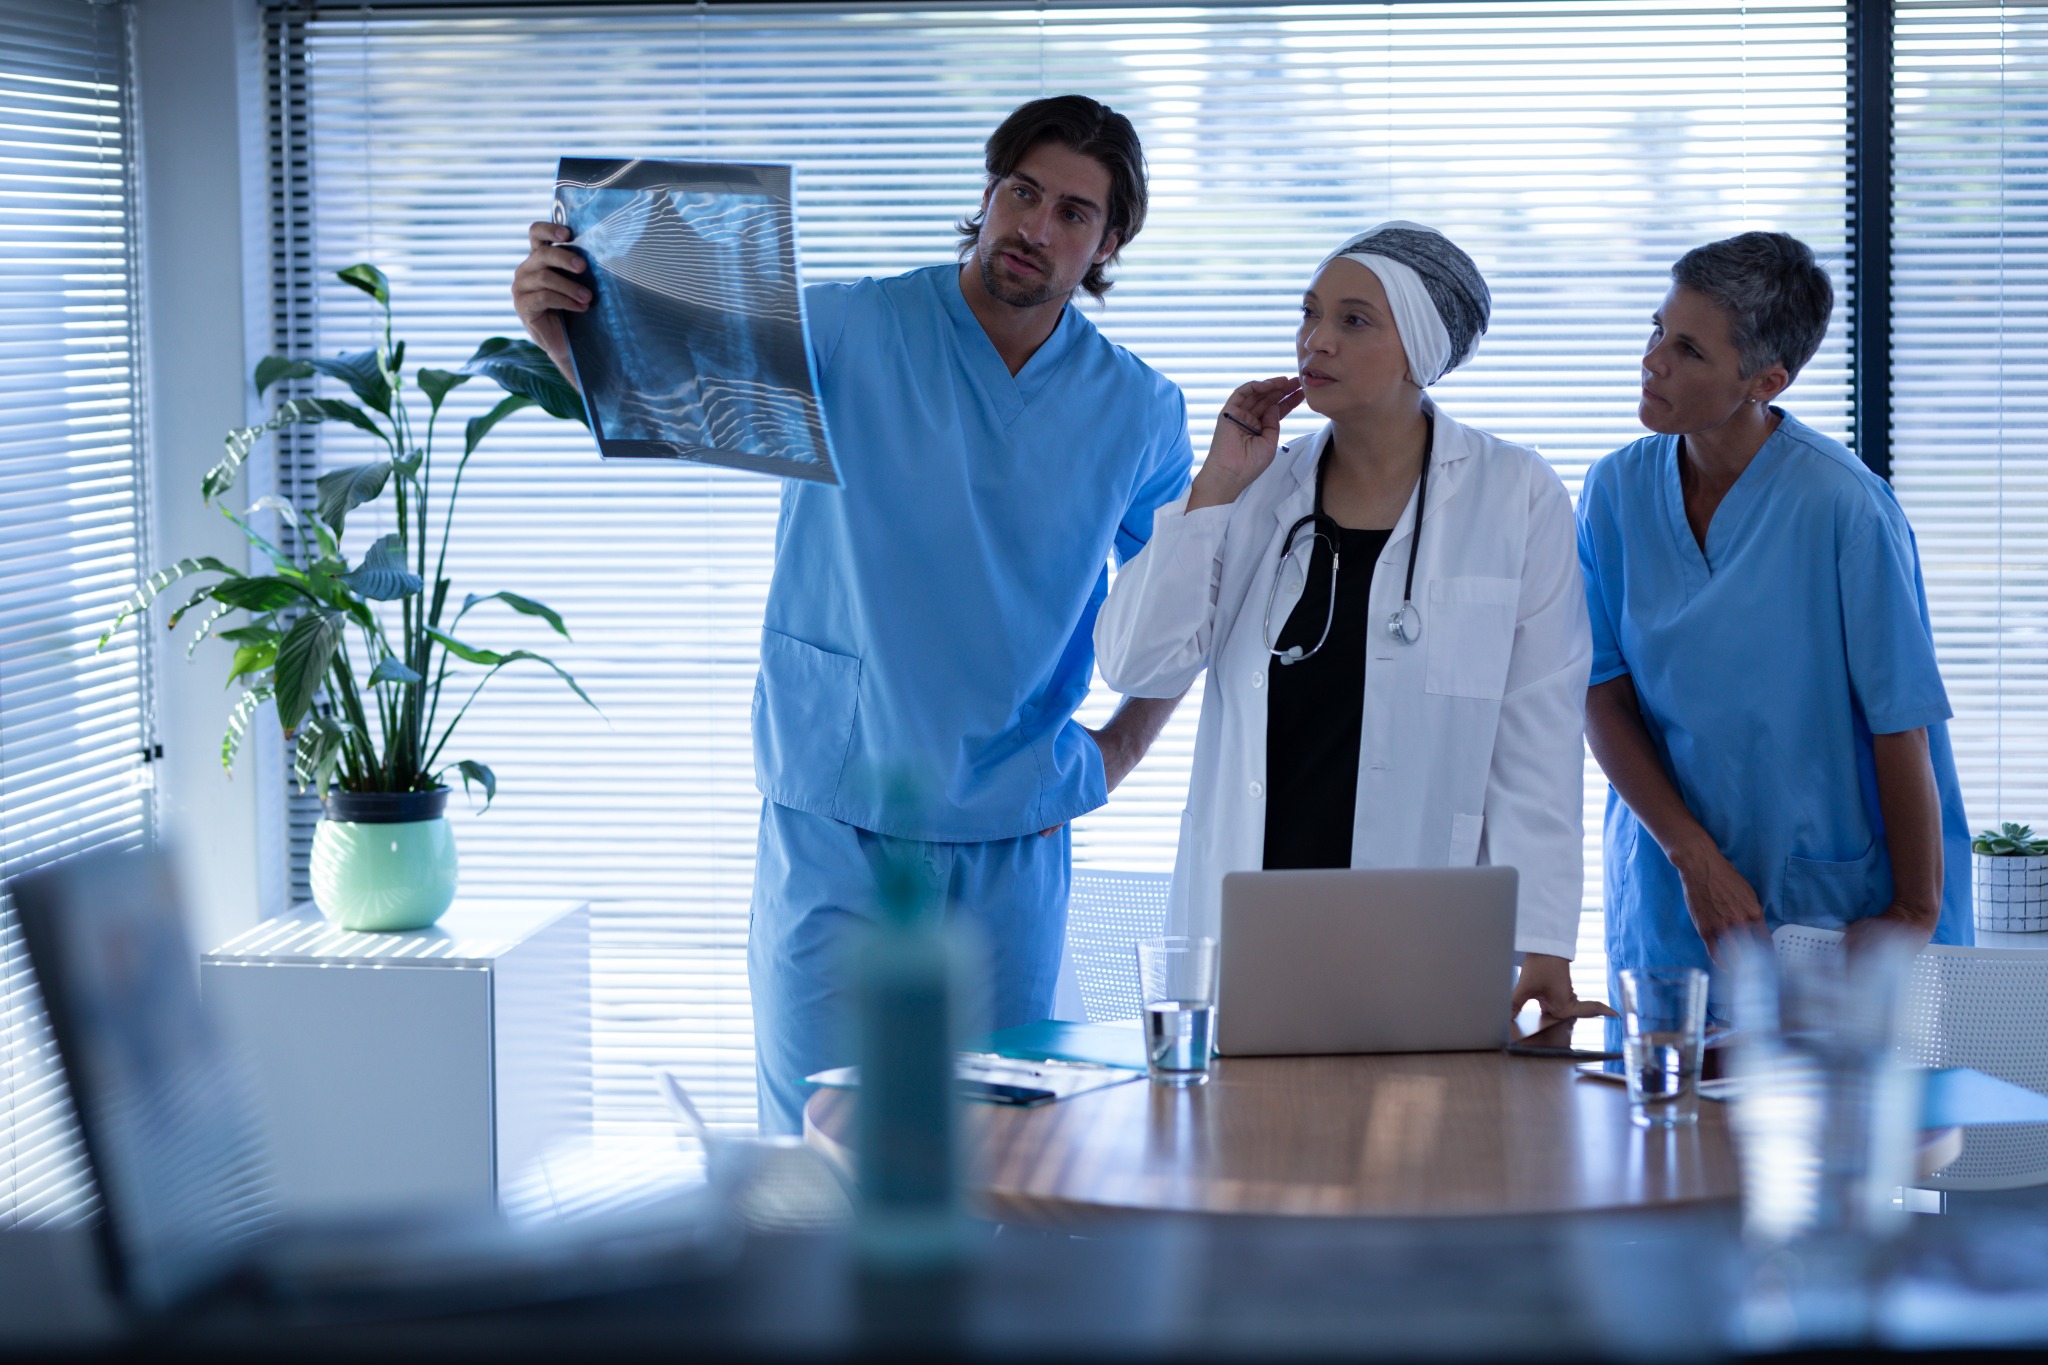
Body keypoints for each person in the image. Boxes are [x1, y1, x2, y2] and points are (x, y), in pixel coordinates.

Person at [513, 96, 1194, 1134]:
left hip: (1008, 831)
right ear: (986, 192)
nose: (1034, 229)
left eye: (1071, 213)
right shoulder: (847, 328)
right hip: (835, 817)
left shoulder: (1137, 411)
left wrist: (1116, 752)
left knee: (995, 1154)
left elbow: (1179, 610)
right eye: (1020, 193)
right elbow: (661, 401)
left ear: (1108, 241)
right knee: (820, 1156)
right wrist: (557, 327)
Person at [1095, 222, 1606, 1021]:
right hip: (1253, 910)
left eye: (1354, 320)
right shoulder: (1257, 488)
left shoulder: (1516, 495)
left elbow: (1537, 733)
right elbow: (1135, 662)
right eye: (1310, 314)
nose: (1316, 340)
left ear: (1421, 349)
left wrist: (1544, 942)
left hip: (1419, 917)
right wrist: (1218, 483)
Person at [1578, 231, 1972, 1020]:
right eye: (1657, 330)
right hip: (1670, 895)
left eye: (1688, 349)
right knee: (1664, 1132)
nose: (1653, 360)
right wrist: (1693, 858)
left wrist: (1914, 910)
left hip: (1825, 904)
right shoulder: (1614, 490)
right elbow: (1602, 692)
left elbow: (1904, 726)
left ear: (1766, 379)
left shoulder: (1845, 507)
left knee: (1834, 1136)